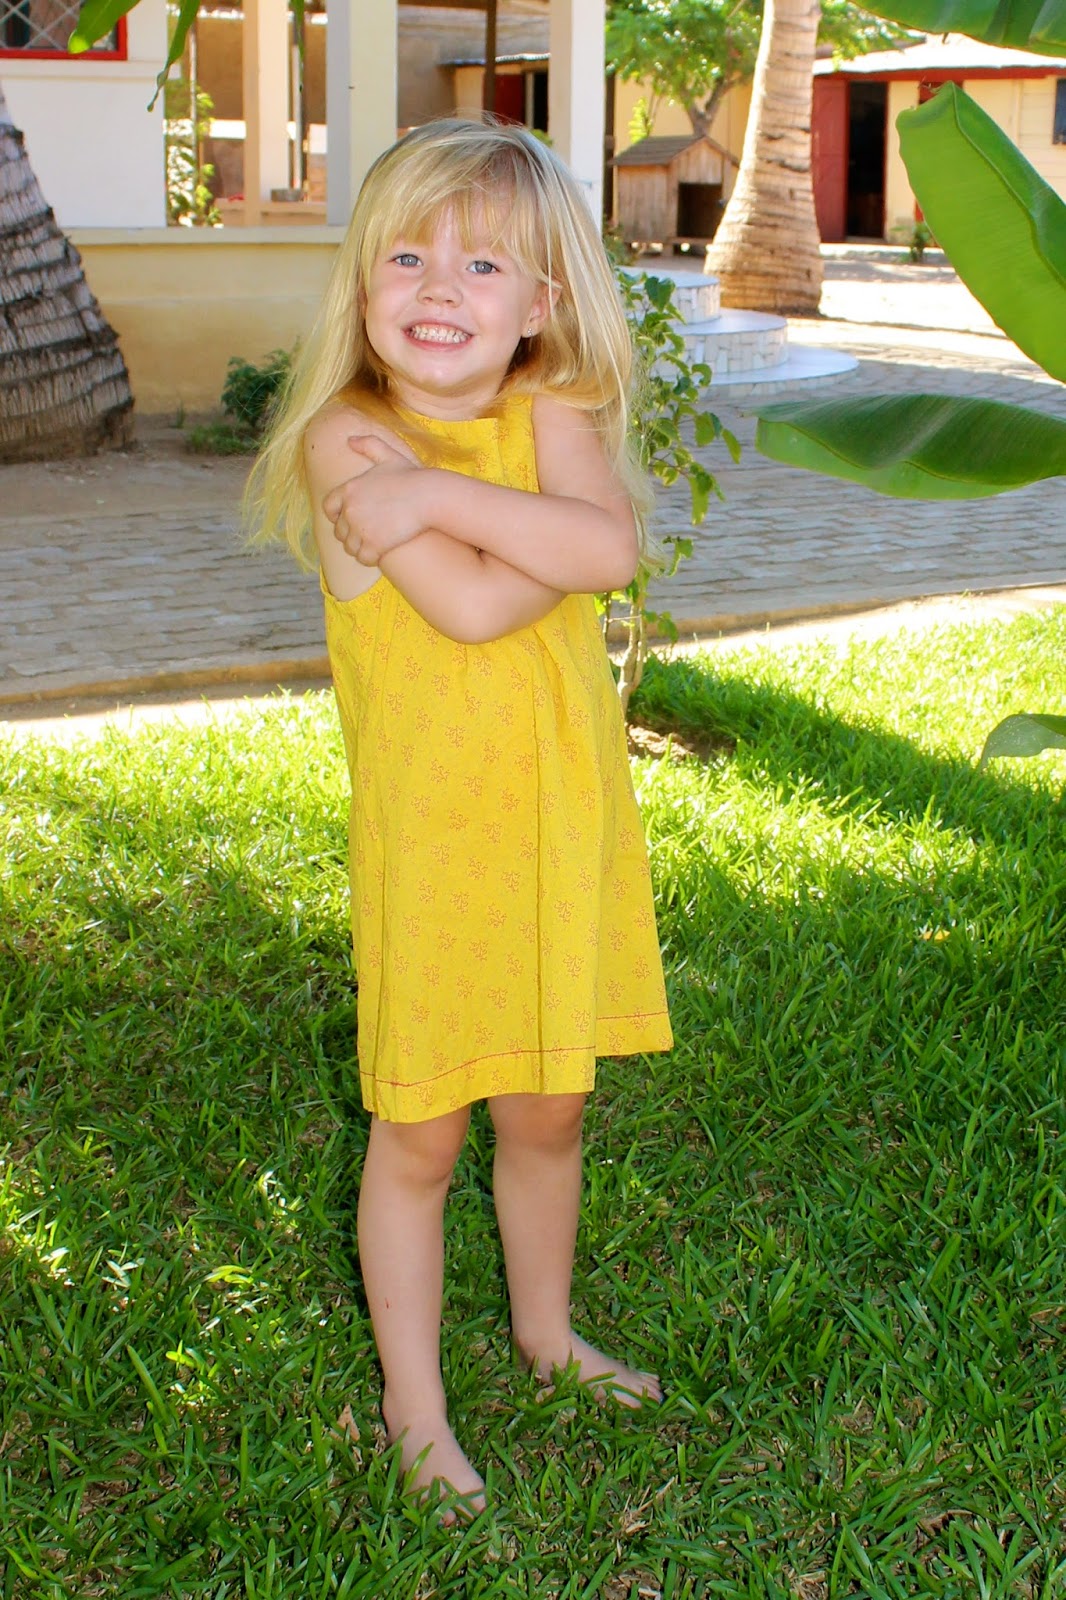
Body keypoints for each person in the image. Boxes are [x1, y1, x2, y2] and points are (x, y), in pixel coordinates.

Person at [247, 116, 673, 1518]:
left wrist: (443, 498)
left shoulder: (552, 407)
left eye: (485, 266)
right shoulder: (346, 437)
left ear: (542, 303)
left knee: (549, 1111)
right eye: (408, 258)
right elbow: (484, 604)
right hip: (434, 849)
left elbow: (609, 547)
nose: (441, 289)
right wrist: (532, 530)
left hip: (558, 830)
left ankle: (547, 1337)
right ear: (362, 282)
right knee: (422, 1134)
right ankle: (414, 1411)